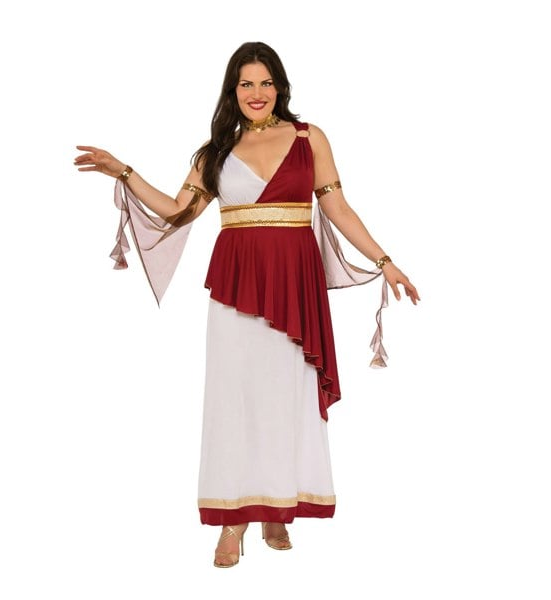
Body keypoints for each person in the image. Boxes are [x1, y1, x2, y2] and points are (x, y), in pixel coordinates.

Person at [74, 41, 420, 568]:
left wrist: (385, 260)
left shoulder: (309, 138)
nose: (256, 93)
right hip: (238, 287)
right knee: (235, 398)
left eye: (265, 82)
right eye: (246, 84)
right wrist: (124, 171)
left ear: (279, 86)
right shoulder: (215, 151)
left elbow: (339, 209)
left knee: (285, 394)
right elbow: (176, 211)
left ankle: (277, 508)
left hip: (293, 282)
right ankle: (232, 521)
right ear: (232, 91)